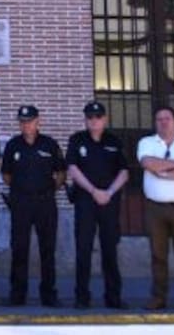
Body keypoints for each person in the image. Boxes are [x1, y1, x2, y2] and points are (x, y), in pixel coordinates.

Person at [66, 100, 128, 309]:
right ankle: (82, 297)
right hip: (85, 201)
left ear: (105, 119)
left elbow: (124, 171)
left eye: (98, 117)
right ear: (85, 120)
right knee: (83, 249)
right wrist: (94, 191)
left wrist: (108, 192)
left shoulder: (114, 141)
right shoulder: (77, 140)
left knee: (110, 249)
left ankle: (113, 297)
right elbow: (72, 169)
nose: (94, 121)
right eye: (90, 117)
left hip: (109, 202)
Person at [0, 105, 65, 307]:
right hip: (21, 203)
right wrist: (23, 191)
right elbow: (6, 175)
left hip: (45, 202)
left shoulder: (50, 144)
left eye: (29, 121)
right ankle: (18, 294)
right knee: (19, 248)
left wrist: (47, 190)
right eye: (22, 121)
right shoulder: (13, 145)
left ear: (38, 122)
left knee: (48, 249)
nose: (25, 125)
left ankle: (49, 294)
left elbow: (61, 172)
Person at [137, 105, 174, 311]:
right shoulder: (146, 143)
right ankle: (158, 298)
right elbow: (147, 163)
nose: (163, 122)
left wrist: (165, 170)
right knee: (158, 255)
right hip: (156, 209)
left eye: (167, 118)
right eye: (159, 119)